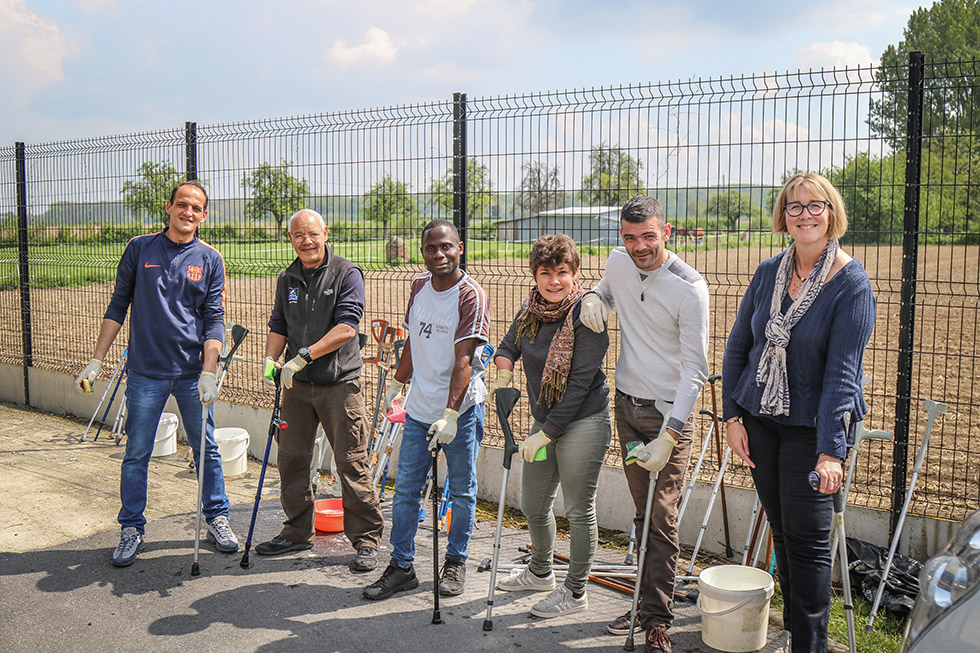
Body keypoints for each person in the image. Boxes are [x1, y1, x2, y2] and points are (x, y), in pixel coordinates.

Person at [722, 172, 875, 653]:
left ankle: (811, 644)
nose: (805, 214)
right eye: (795, 206)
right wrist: (732, 418)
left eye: (816, 205)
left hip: (813, 430)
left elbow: (842, 375)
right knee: (784, 534)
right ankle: (796, 634)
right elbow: (738, 347)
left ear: (832, 213)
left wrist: (832, 452)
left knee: (808, 545)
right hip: (761, 421)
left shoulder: (851, 284)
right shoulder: (769, 272)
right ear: (783, 216)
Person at [73, 180, 239, 567]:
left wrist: (209, 372)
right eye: (182, 205)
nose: (188, 213)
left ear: (204, 215)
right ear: (169, 207)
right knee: (136, 453)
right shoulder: (139, 248)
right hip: (146, 372)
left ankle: (217, 518)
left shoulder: (211, 259)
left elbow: (215, 321)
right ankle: (131, 527)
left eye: (196, 208)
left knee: (207, 450)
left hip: (191, 373)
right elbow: (118, 305)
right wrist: (97, 359)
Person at [580, 195, 709, 653]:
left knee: (661, 516)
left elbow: (695, 369)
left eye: (648, 237)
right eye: (630, 237)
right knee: (642, 511)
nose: (639, 247)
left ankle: (657, 621)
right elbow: (609, 289)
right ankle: (644, 600)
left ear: (667, 232)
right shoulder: (618, 262)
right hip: (627, 407)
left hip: (666, 415)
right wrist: (596, 297)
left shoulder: (689, 287)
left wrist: (670, 434)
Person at [363, 219, 490, 601]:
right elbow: (412, 346)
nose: (439, 254)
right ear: (423, 252)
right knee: (405, 491)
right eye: (432, 248)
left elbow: (464, 359)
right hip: (419, 411)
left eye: (447, 247)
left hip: (460, 412)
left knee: (463, 491)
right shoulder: (418, 286)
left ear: (461, 248)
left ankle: (455, 561)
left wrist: (450, 414)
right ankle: (401, 566)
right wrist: (399, 386)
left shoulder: (471, 295)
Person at [488, 234, 611, 618]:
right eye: (546, 273)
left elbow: (577, 387)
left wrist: (545, 432)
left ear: (575, 273)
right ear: (535, 275)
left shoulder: (587, 316)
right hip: (547, 420)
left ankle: (576, 593)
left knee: (578, 510)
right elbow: (507, 345)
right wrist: (504, 373)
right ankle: (541, 572)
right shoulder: (531, 311)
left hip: (584, 421)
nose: (554, 281)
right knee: (534, 503)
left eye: (562, 272)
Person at [256, 209, 384, 572]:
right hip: (296, 387)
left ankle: (366, 541)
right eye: (298, 236)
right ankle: (296, 532)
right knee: (292, 461)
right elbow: (278, 323)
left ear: (325, 233)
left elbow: (347, 327)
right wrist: (270, 358)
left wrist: (303, 356)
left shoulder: (346, 273)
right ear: (291, 239)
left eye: (312, 234)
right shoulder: (288, 278)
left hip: (338, 385)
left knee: (351, 462)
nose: (306, 242)